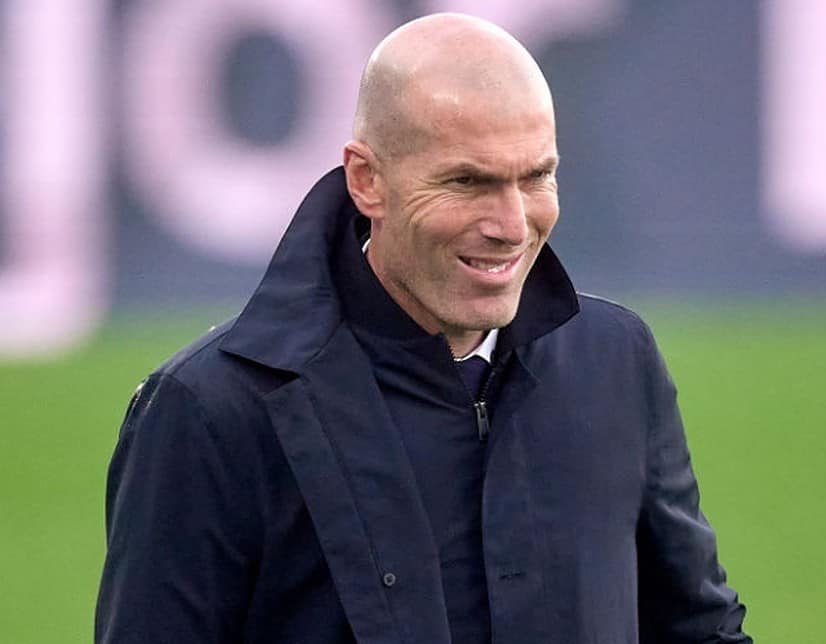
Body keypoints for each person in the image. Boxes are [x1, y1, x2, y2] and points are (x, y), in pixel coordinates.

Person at [96, 12, 751, 644]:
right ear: (367, 180)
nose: (511, 224)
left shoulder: (614, 360)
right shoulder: (213, 410)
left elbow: (698, 630)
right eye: (468, 181)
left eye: (536, 177)